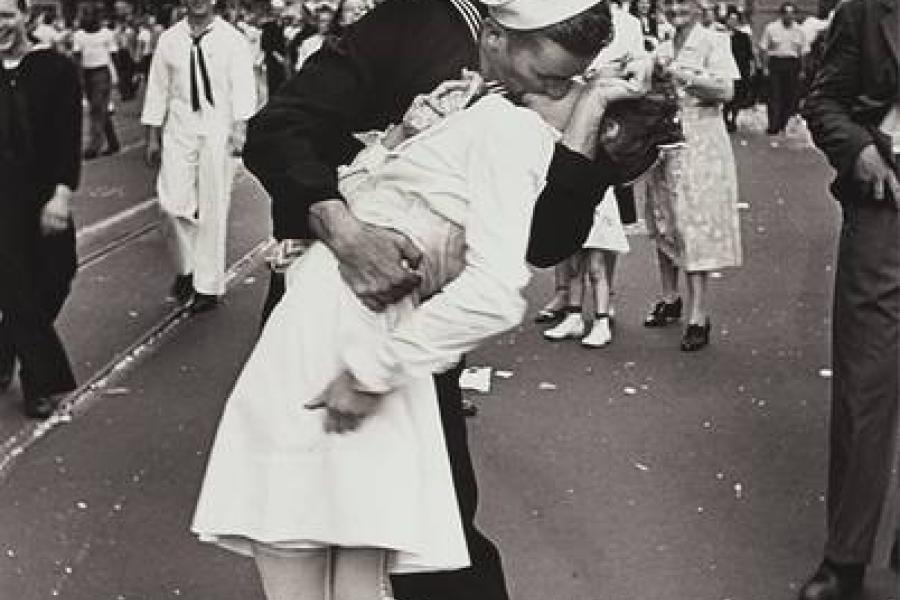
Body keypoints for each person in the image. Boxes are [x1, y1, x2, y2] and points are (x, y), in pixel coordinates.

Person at [192, 4, 619, 600]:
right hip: (346, 330)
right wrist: (345, 221)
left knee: (371, 548)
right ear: (496, 36)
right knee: (359, 550)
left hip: (383, 341)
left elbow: (537, 247)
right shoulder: (414, 27)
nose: (558, 88)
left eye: (570, 80)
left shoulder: (512, 114)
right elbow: (279, 129)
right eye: (551, 75)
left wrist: (589, 140)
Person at [799, 0, 899, 597]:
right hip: (887, 209)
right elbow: (823, 101)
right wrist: (859, 149)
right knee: (866, 387)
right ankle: (846, 559)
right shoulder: (865, 12)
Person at [540, 0, 649, 347]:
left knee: (600, 236)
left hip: (604, 132)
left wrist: (611, 79)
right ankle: (569, 303)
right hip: (565, 123)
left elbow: (637, 77)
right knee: (565, 230)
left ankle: (604, 305)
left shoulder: (628, 26)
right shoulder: (566, 14)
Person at [140, 0, 257, 312]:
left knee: (214, 206)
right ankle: (186, 268)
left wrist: (240, 130)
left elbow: (243, 88)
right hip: (179, 127)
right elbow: (158, 88)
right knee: (171, 204)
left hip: (218, 127)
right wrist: (151, 135)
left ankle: (207, 286)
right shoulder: (169, 40)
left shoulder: (233, 40)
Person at [640, 0, 742, 351]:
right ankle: (670, 298)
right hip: (664, 143)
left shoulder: (714, 41)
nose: (675, 9)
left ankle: (699, 314)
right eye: (668, 3)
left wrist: (682, 75)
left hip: (701, 143)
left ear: (698, 7)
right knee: (664, 219)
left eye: (682, 2)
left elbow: (726, 90)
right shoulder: (662, 45)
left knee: (694, 224)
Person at [0, 0, 81, 419]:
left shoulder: (56, 69)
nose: (1, 24)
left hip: (43, 191)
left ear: (25, 17)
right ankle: (41, 383)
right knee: (13, 284)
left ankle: (6, 344)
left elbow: (68, 135)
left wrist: (62, 194)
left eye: (6, 14)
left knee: (57, 274)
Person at [73, 6, 119, 160]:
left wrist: (117, 76)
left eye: (91, 16)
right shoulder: (79, 35)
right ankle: (113, 142)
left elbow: (114, 55)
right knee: (100, 110)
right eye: (85, 16)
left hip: (101, 73)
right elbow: (77, 57)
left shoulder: (106, 34)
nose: (88, 19)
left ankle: (94, 146)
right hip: (87, 73)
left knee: (96, 109)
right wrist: (78, 78)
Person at [759, 2, 806, 134]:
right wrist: (764, 67)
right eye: (786, 14)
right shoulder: (771, 28)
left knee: (789, 95)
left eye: (792, 14)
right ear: (781, 15)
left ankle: (783, 123)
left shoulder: (800, 30)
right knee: (774, 95)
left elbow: (803, 52)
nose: (789, 17)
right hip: (776, 63)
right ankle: (773, 125)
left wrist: (802, 70)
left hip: (792, 64)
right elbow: (763, 48)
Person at [721, 5, 756, 132]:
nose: (732, 22)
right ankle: (725, 118)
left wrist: (751, 68)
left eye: (735, 20)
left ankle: (734, 119)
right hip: (725, 70)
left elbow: (749, 54)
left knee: (738, 96)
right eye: (730, 19)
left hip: (740, 70)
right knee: (726, 97)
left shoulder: (743, 37)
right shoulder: (720, 36)